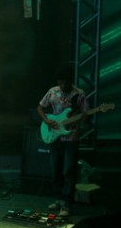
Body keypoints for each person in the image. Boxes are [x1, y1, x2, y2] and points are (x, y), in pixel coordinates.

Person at [37, 63, 90, 218]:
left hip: (71, 137)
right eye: (60, 82)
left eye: (66, 82)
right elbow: (40, 107)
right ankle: (58, 199)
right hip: (55, 136)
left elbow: (86, 114)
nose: (63, 85)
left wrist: (78, 120)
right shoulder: (53, 91)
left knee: (68, 170)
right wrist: (46, 120)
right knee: (56, 169)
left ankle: (67, 203)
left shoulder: (79, 94)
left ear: (71, 81)